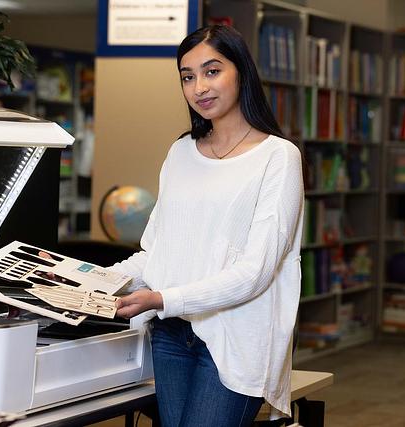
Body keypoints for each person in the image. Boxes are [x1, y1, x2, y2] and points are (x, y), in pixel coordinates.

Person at [109, 24, 304, 427]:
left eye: (212, 71)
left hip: (235, 339)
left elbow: (255, 272)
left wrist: (162, 298)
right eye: (187, 76)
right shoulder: (181, 152)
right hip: (171, 334)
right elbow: (156, 253)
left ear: (241, 73)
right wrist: (80, 280)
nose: (199, 87)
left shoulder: (278, 157)